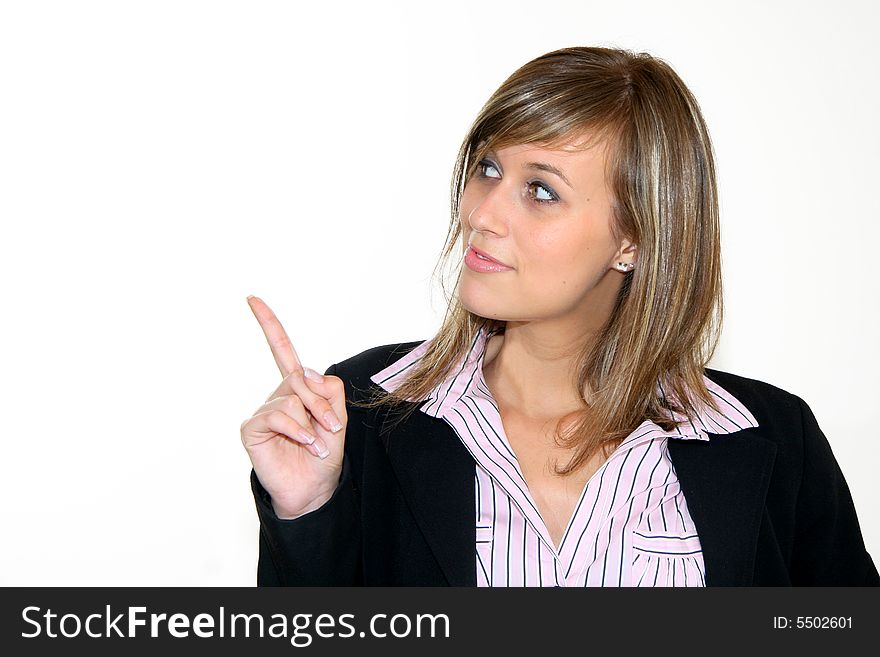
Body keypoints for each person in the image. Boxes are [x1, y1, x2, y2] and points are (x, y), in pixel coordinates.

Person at [241, 46, 879, 586]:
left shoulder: (772, 436)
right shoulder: (361, 413)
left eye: (540, 190)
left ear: (634, 238)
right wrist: (305, 514)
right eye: (487, 169)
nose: (484, 213)